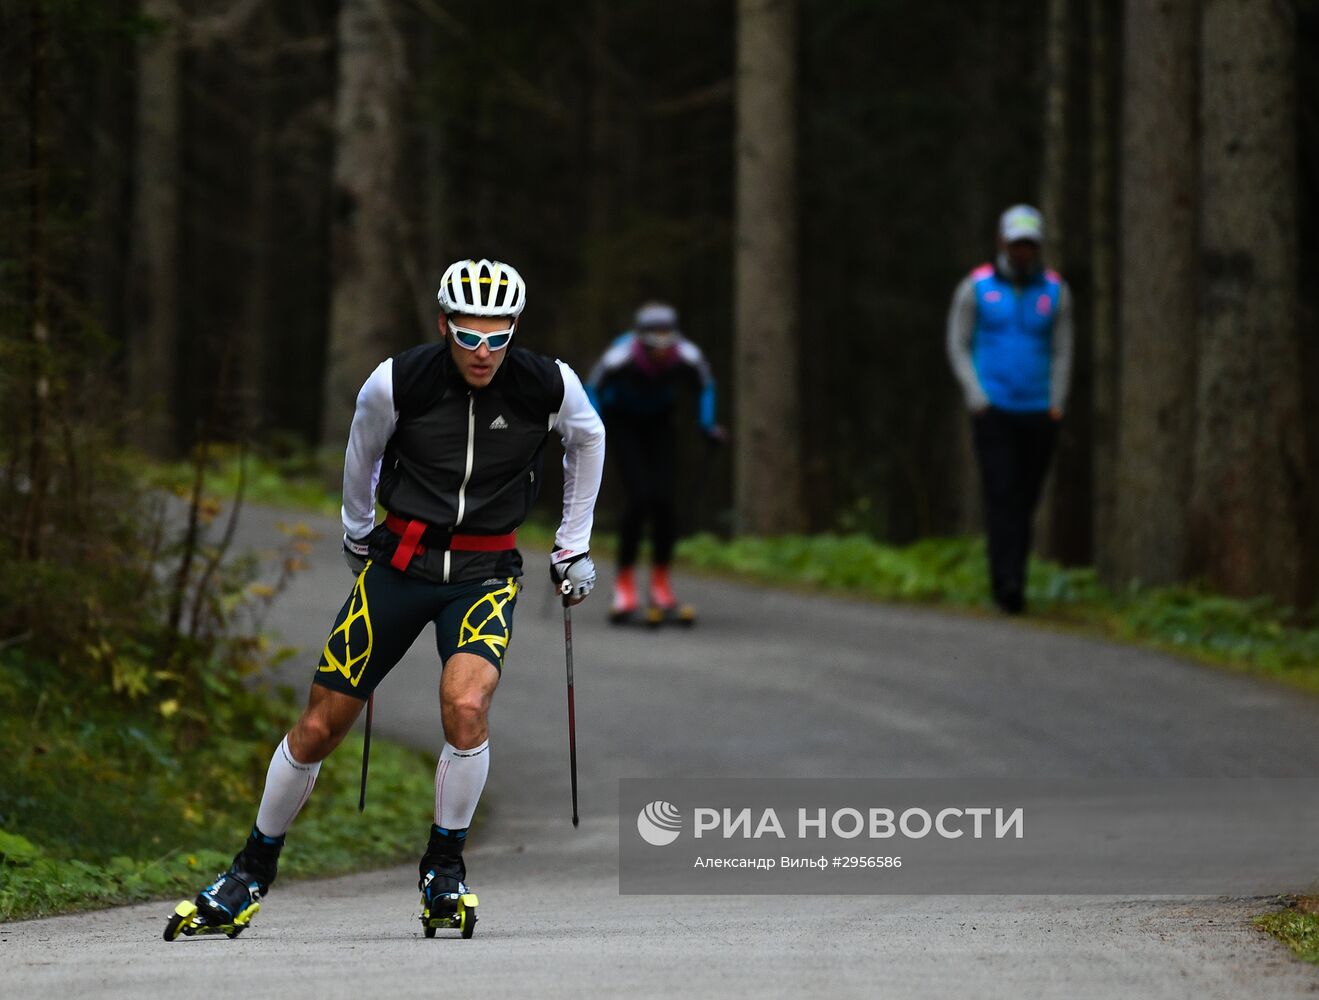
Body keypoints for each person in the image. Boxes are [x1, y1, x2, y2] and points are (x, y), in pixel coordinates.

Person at [184, 258, 605, 935]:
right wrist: (356, 531)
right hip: (401, 566)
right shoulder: (399, 379)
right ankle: (249, 870)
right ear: (444, 325)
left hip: (483, 573)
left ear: (513, 332)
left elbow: (588, 439)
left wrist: (572, 544)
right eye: (468, 335)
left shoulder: (546, 384)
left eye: (497, 337)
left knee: (466, 704)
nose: (482, 352)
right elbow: (362, 452)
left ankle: (444, 869)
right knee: (320, 726)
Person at [946, 205, 1073, 614]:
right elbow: (958, 343)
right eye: (1017, 243)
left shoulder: (1055, 291)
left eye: (1029, 244)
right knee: (1001, 494)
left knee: (1027, 498)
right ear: (1003, 242)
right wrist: (976, 397)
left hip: (1039, 411)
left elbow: (1063, 350)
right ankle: (1006, 581)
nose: (1023, 250)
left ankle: (1015, 573)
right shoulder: (977, 287)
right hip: (994, 409)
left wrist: (1056, 402)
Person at [585, 301, 722, 621]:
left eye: (666, 337)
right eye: (654, 339)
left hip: (660, 425)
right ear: (642, 339)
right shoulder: (622, 355)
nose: (661, 348)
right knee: (640, 498)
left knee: (664, 502)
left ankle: (661, 585)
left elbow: (706, 385)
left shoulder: (686, 354)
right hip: (623, 425)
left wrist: (707, 425)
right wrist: (592, 428)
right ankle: (625, 588)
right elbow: (592, 387)